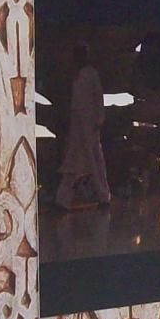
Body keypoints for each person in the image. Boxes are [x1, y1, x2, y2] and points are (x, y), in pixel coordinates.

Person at [55, 43, 111, 210]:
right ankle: (62, 200)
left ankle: (103, 197)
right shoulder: (77, 76)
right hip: (78, 130)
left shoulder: (90, 74)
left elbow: (98, 98)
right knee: (73, 165)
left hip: (89, 128)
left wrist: (98, 120)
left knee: (94, 164)